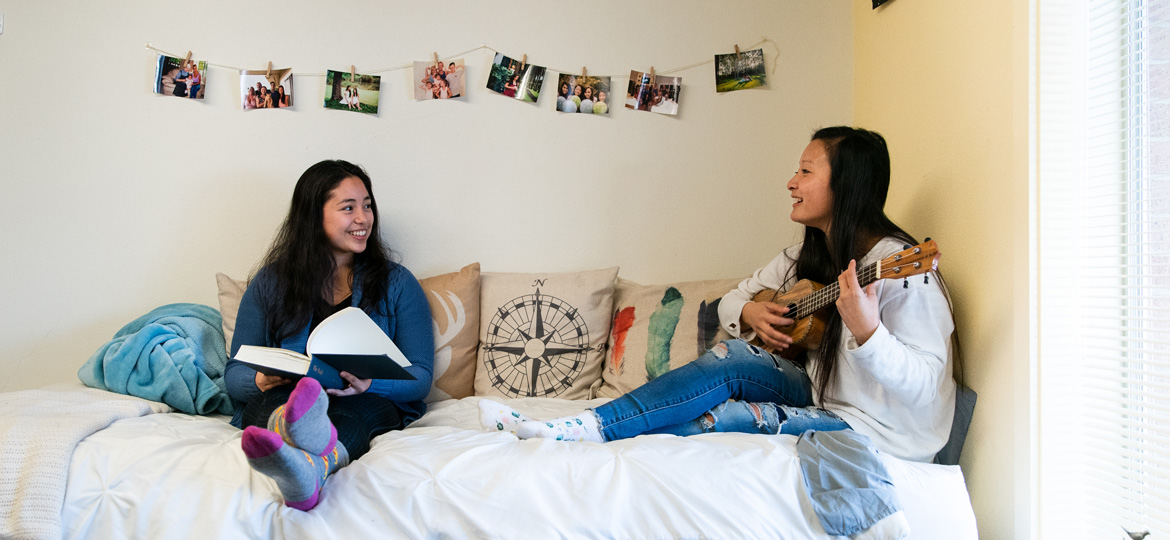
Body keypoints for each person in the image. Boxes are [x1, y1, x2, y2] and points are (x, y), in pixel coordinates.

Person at [480, 127, 958, 464]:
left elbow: (926, 387)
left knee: (725, 416)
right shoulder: (802, 257)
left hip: (880, 433)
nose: (791, 182)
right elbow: (731, 303)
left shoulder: (904, 272)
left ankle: (589, 434)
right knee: (732, 353)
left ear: (847, 183)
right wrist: (750, 309)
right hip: (821, 394)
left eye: (806, 171)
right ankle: (585, 425)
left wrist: (868, 332)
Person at [225, 160, 435, 509]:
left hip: (364, 400)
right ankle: (295, 436)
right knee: (277, 403)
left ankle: (311, 468)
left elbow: (420, 377)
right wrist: (260, 380)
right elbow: (234, 373)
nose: (363, 218)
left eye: (367, 206)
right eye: (348, 208)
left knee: (354, 413)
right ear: (313, 216)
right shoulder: (270, 282)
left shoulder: (398, 283)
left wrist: (370, 385)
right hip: (290, 395)